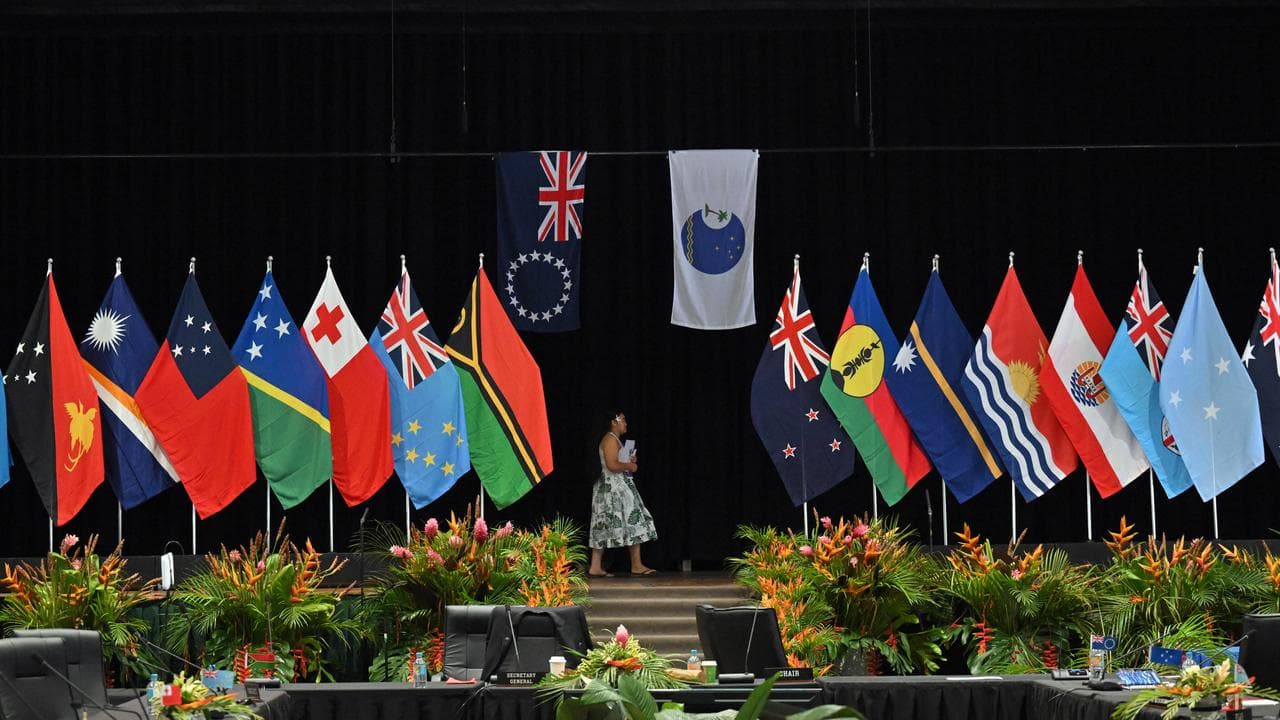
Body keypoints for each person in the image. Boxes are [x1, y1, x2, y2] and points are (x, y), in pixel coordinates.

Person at [588, 411, 658, 577]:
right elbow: (612, 465)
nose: (625, 424)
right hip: (613, 489)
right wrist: (629, 466)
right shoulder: (610, 439)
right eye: (623, 420)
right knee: (631, 519)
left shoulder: (614, 439)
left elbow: (616, 462)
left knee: (604, 523)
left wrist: (627, 461)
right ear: (614, 422)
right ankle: (635, 565)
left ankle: (596, 566)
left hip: (614, 487)